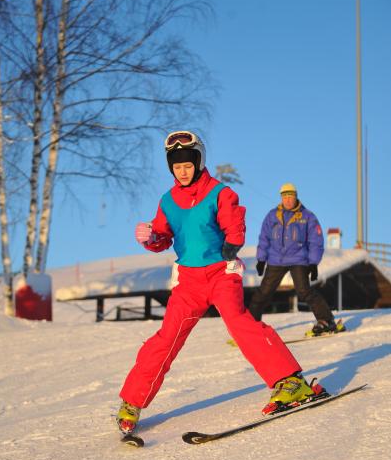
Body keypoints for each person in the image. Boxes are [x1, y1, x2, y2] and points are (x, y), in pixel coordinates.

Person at [116, 133, 327, 434]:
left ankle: (289, 382)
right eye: (177, 167)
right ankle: (131, 403)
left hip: (220, 273)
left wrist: (232, 242)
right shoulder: (167, 201)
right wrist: (151, 237)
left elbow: (234, 222)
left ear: (199, 162)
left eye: (188, 165)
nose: (183, 171)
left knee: (240, 323)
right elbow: (163, 236)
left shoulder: (219, 192)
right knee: (167, 338)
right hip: (188, 281)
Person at [249, 183, 344, 335]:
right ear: (281, 198)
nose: (288, 200)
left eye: (290, 197)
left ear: (296, 197)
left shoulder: (307, 217)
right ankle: (250, 326)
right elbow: (264, 238)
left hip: (298, 259)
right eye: (285, 197)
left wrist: (313, 263)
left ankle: (326, 321)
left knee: (304, 291)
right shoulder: (272, 216)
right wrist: (261, 259)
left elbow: (316, 241)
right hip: (275, 260)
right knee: (263, 292)